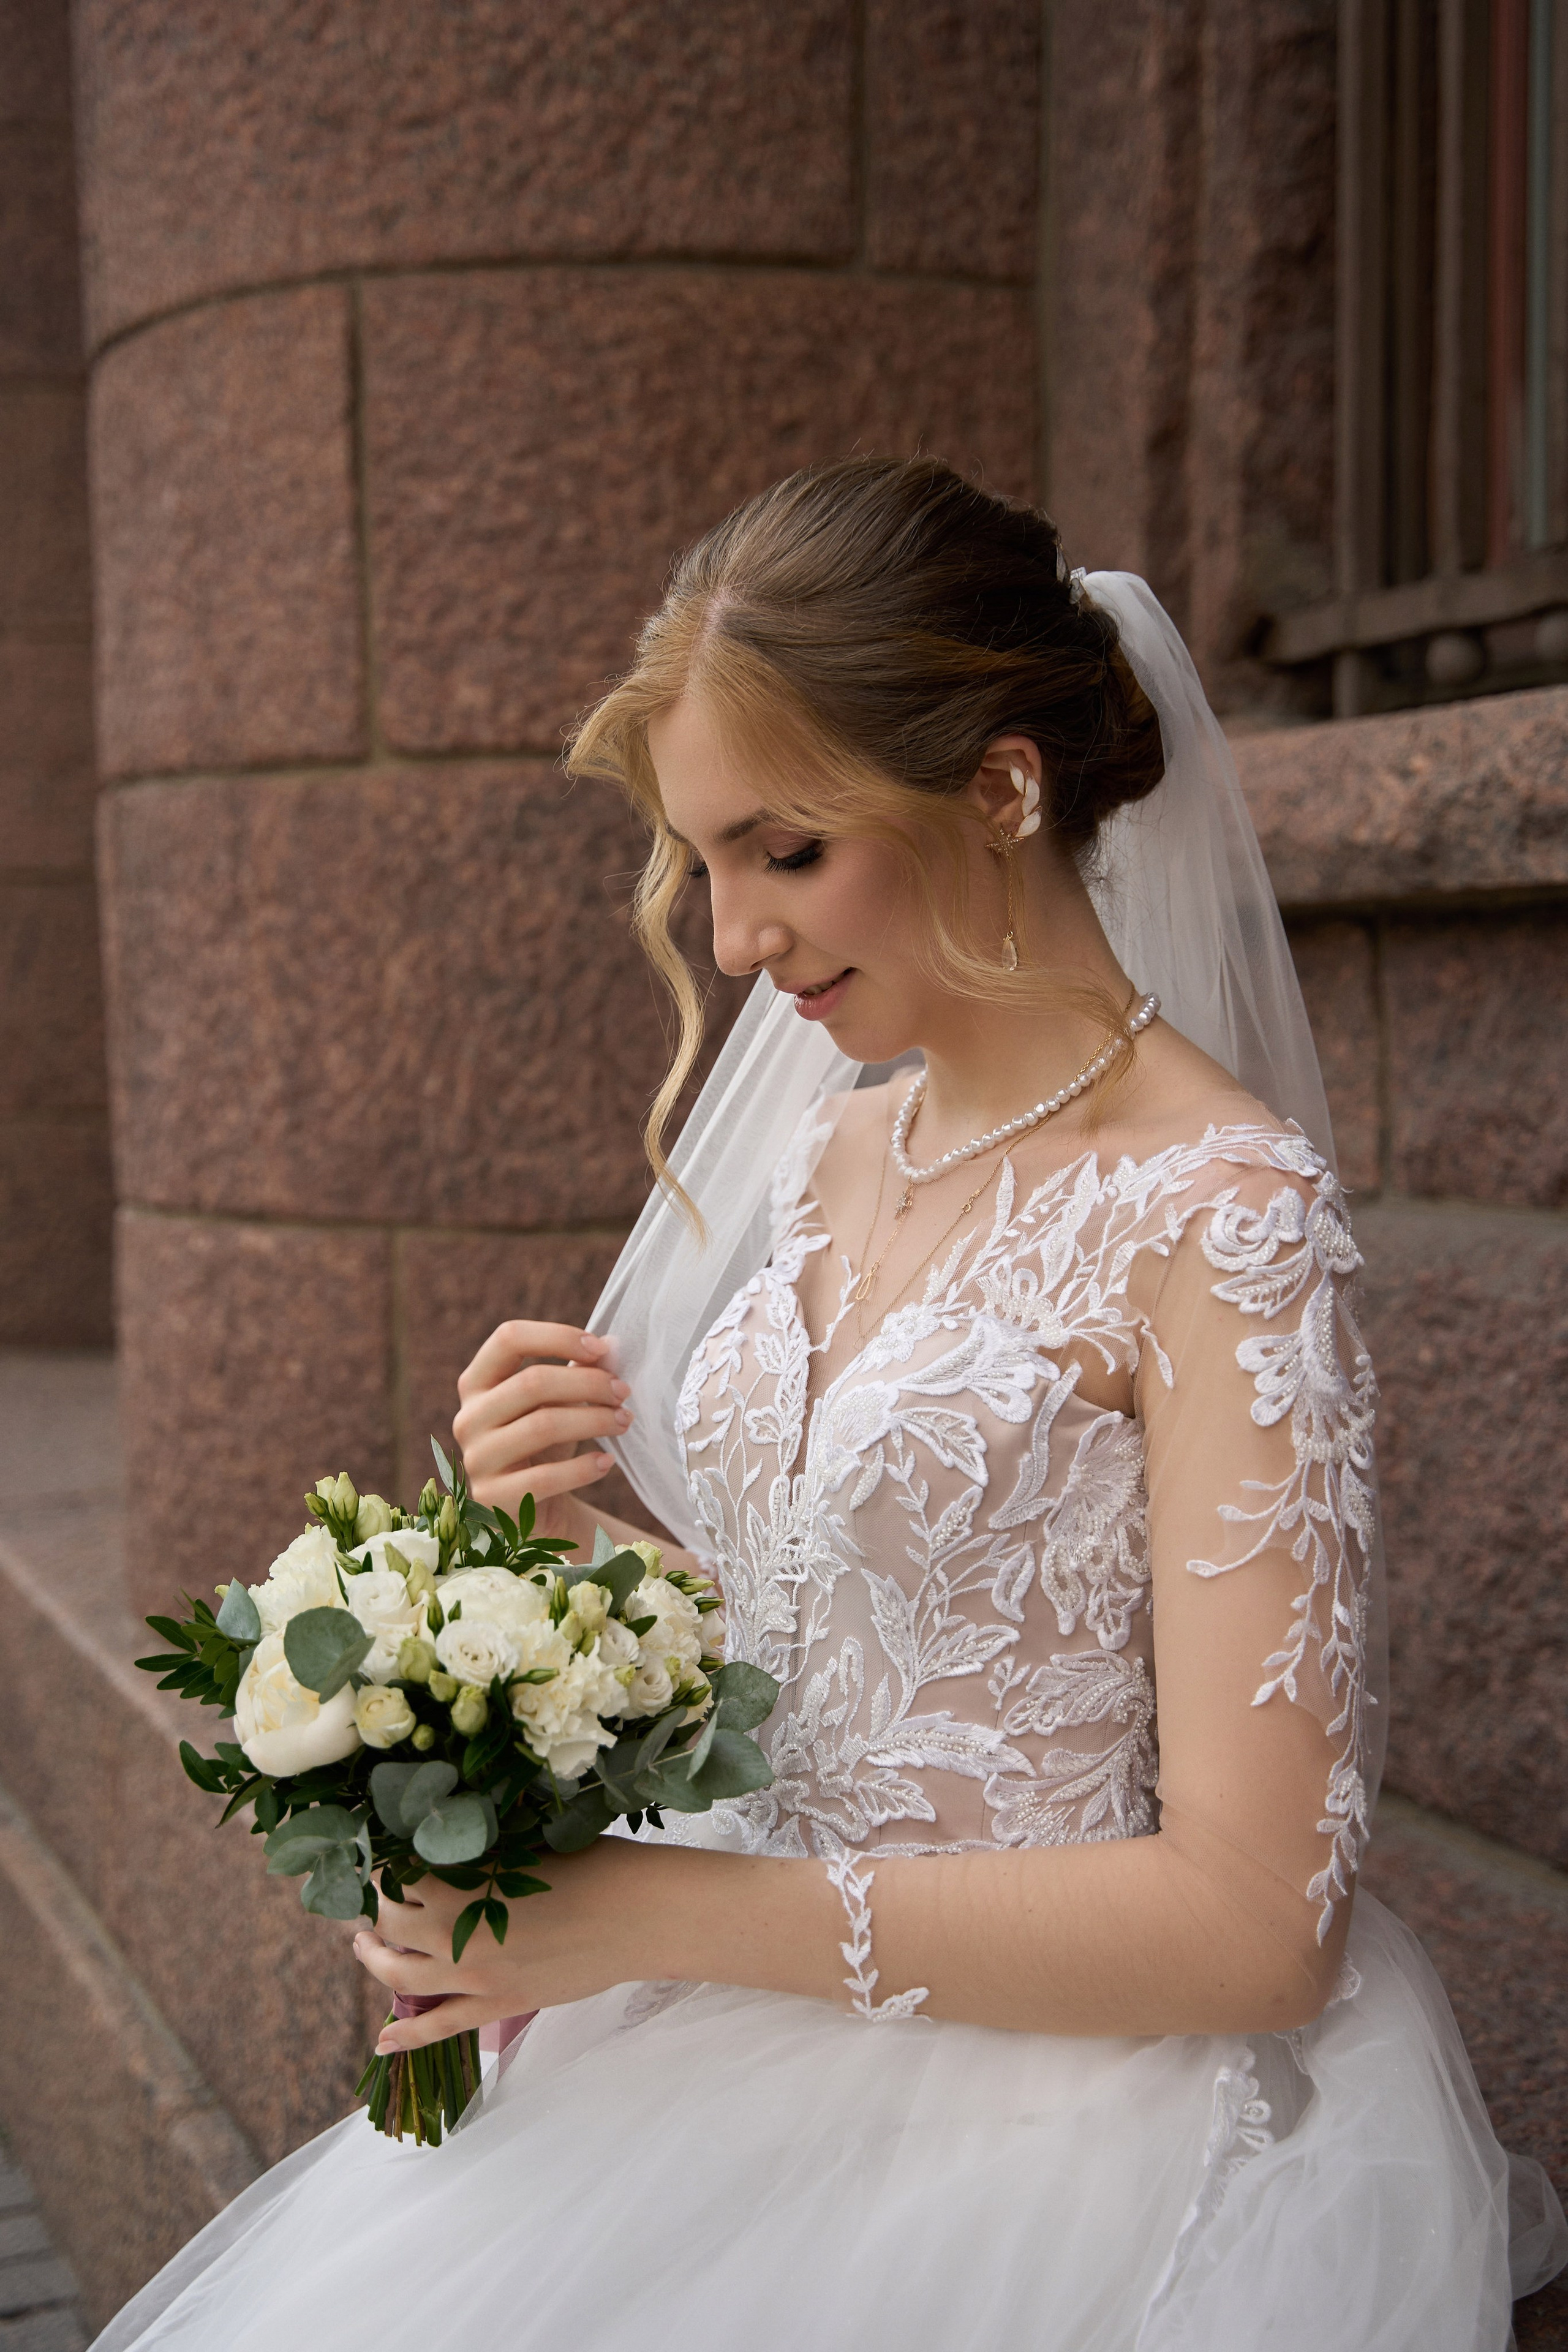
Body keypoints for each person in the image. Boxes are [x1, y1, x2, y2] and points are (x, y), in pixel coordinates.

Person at [96, 458, 1566, 2351]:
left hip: (1043, 2131)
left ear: (1001, 790)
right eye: (703, 862)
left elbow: (1255, 1925)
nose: (729, 940)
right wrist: (552, 1562)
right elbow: (849, 1639)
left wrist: (643, 1920)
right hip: (701, 2033)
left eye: (782, 852)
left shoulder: (1221, 1215)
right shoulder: (839, 1151)